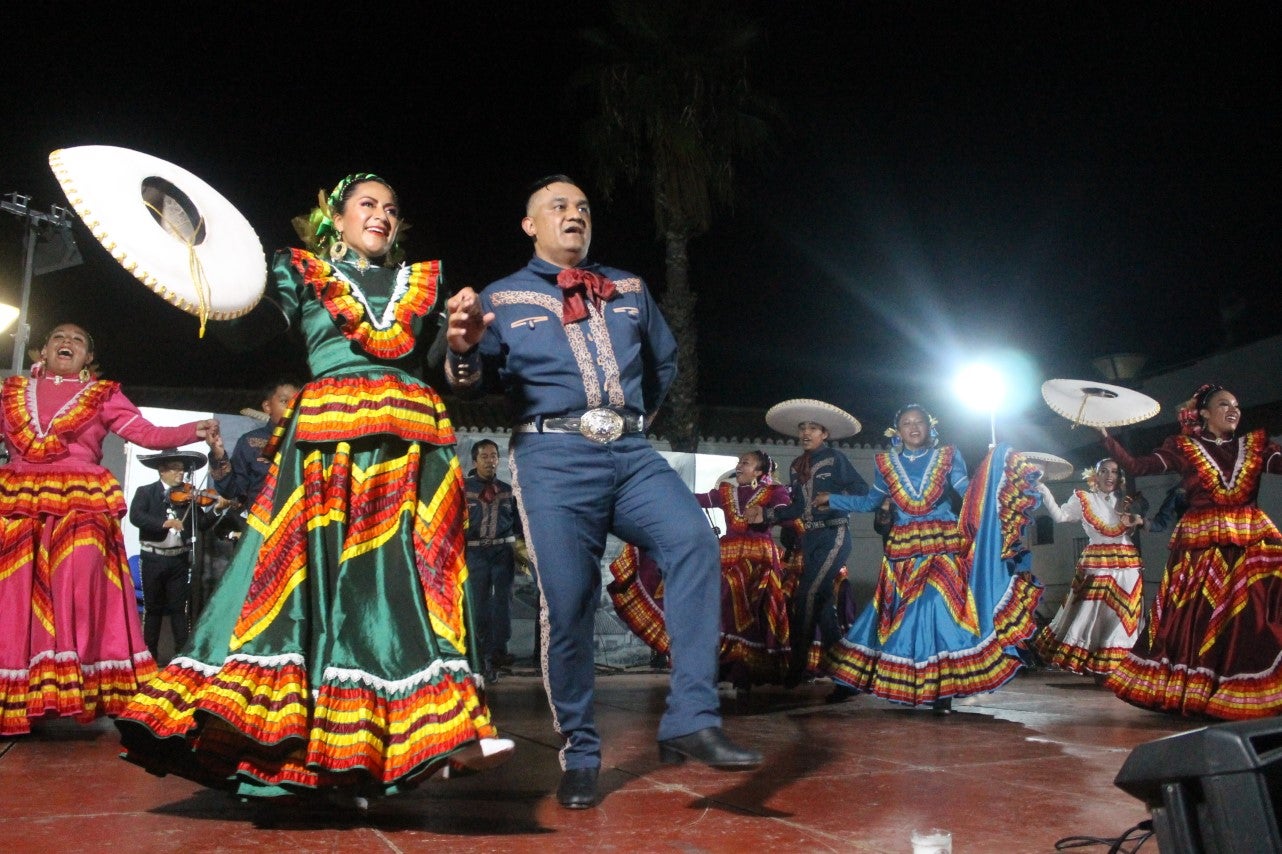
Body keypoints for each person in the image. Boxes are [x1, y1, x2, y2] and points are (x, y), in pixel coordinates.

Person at [118, 173, 511, 799]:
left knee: (409, 578)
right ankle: (312, 749)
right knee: (319, 586)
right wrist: (194, 263)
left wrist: (461, 345)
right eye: (367, 204)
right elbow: (243, 327)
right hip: (327, 449)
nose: (381, 214)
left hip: (411, 448)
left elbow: (451, 370)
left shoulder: (424, 284)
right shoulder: (299, 271)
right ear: (337, 218)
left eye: (390, 206)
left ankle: (441, 728)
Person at [444, 174, 761, 809]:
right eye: (558, 206)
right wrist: (461, 351)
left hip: (631, 453)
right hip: (552, 460)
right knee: (569, 603)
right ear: (530, 224)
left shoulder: (631, 289)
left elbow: (664, 362)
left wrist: (630, 420)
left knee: (696, 541)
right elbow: (467, 379)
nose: (574, 214)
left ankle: (692, 717)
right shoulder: (501, 299)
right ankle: (581, 753)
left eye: (583, 207)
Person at [0, 323, 218, 736]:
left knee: (78, 583)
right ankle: (19, 693)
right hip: (18, 501)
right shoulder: (10, 392)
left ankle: (72, 685)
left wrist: (194, 430)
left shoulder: (102, 395)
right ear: (41, 352)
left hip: (80, 498)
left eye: (79, 340)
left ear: (88, 360)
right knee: (12, 594)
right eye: (59, 338)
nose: (68, 343)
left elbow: (145, 432)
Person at [818, 405, 1043, 711]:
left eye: (919, 423)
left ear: (930, 427)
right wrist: (833, 499)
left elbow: (965, 489)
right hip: (903, 550)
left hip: (943, 542)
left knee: (936, 605)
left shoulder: (949, 455)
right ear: (897, 430)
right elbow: (872, 501)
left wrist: (992, 480)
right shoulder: (884, 463)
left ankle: (941, 690)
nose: (913, 427)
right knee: (890, 618)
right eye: (906, 423)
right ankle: (856, 680)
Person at [1102, 384, 1282, 719]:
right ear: (1204, 413)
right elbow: (1138, 467)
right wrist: (1105, 434)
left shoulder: (1254, 447)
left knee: (1256, 608)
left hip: (1249, 541)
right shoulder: (1184, 447)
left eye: (1237, 406)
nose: (1234, 411)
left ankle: (1245, 681)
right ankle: (1204, 688)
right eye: (1224, 404)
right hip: (1202, 548)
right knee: (1198, 618)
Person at [756, 401, 868, 686]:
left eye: (813, 428)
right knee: (821, 605)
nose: (806, 433)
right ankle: (847, 674)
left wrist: (833, 498)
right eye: (802, 428)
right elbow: (795, 508)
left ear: (824, 434)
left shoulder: (836, 459)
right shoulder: (797, 466)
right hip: (811, 538)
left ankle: (797, 667)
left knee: (806, 596)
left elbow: (861, 491)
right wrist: (766, 514)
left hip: (834, 534)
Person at [1031, 459, 1145, 675]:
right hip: (1098, 562)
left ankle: (1118, 665)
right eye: (1104, 471)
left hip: (1127, 563)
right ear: (1095, 475)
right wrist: (1042, 488)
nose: (1110, 476)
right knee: (1090, 612)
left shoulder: (1127, 501)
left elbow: (1138, 523)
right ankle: (1094, 660)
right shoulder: (1085, 499)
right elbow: (1061, 516)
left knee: (1123, 614)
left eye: (1114, 472)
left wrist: (1136, 518)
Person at [130, 448, 215, 662]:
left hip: (178, 559)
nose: (181, 473)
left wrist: (216, 509)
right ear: (162, 470)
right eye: (176, 469)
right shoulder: (145, 492)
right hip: (153, 558)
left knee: (179, 609)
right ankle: (150, 657)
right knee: (153, 610)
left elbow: (202, 524)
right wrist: (164, 523)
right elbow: (137, 516)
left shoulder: (189, 495)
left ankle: (181, 657)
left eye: (183, 469)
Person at [464, 438, 522, 682]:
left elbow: (519, 527)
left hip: (502, 554)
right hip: (474, 554)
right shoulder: (462, 489)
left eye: (494, 456)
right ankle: (477, 657)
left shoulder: (508, 491)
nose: (490, 461)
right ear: (475, 460)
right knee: (477, 606)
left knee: (502, 604)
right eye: (485, 456)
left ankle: (497, 653)